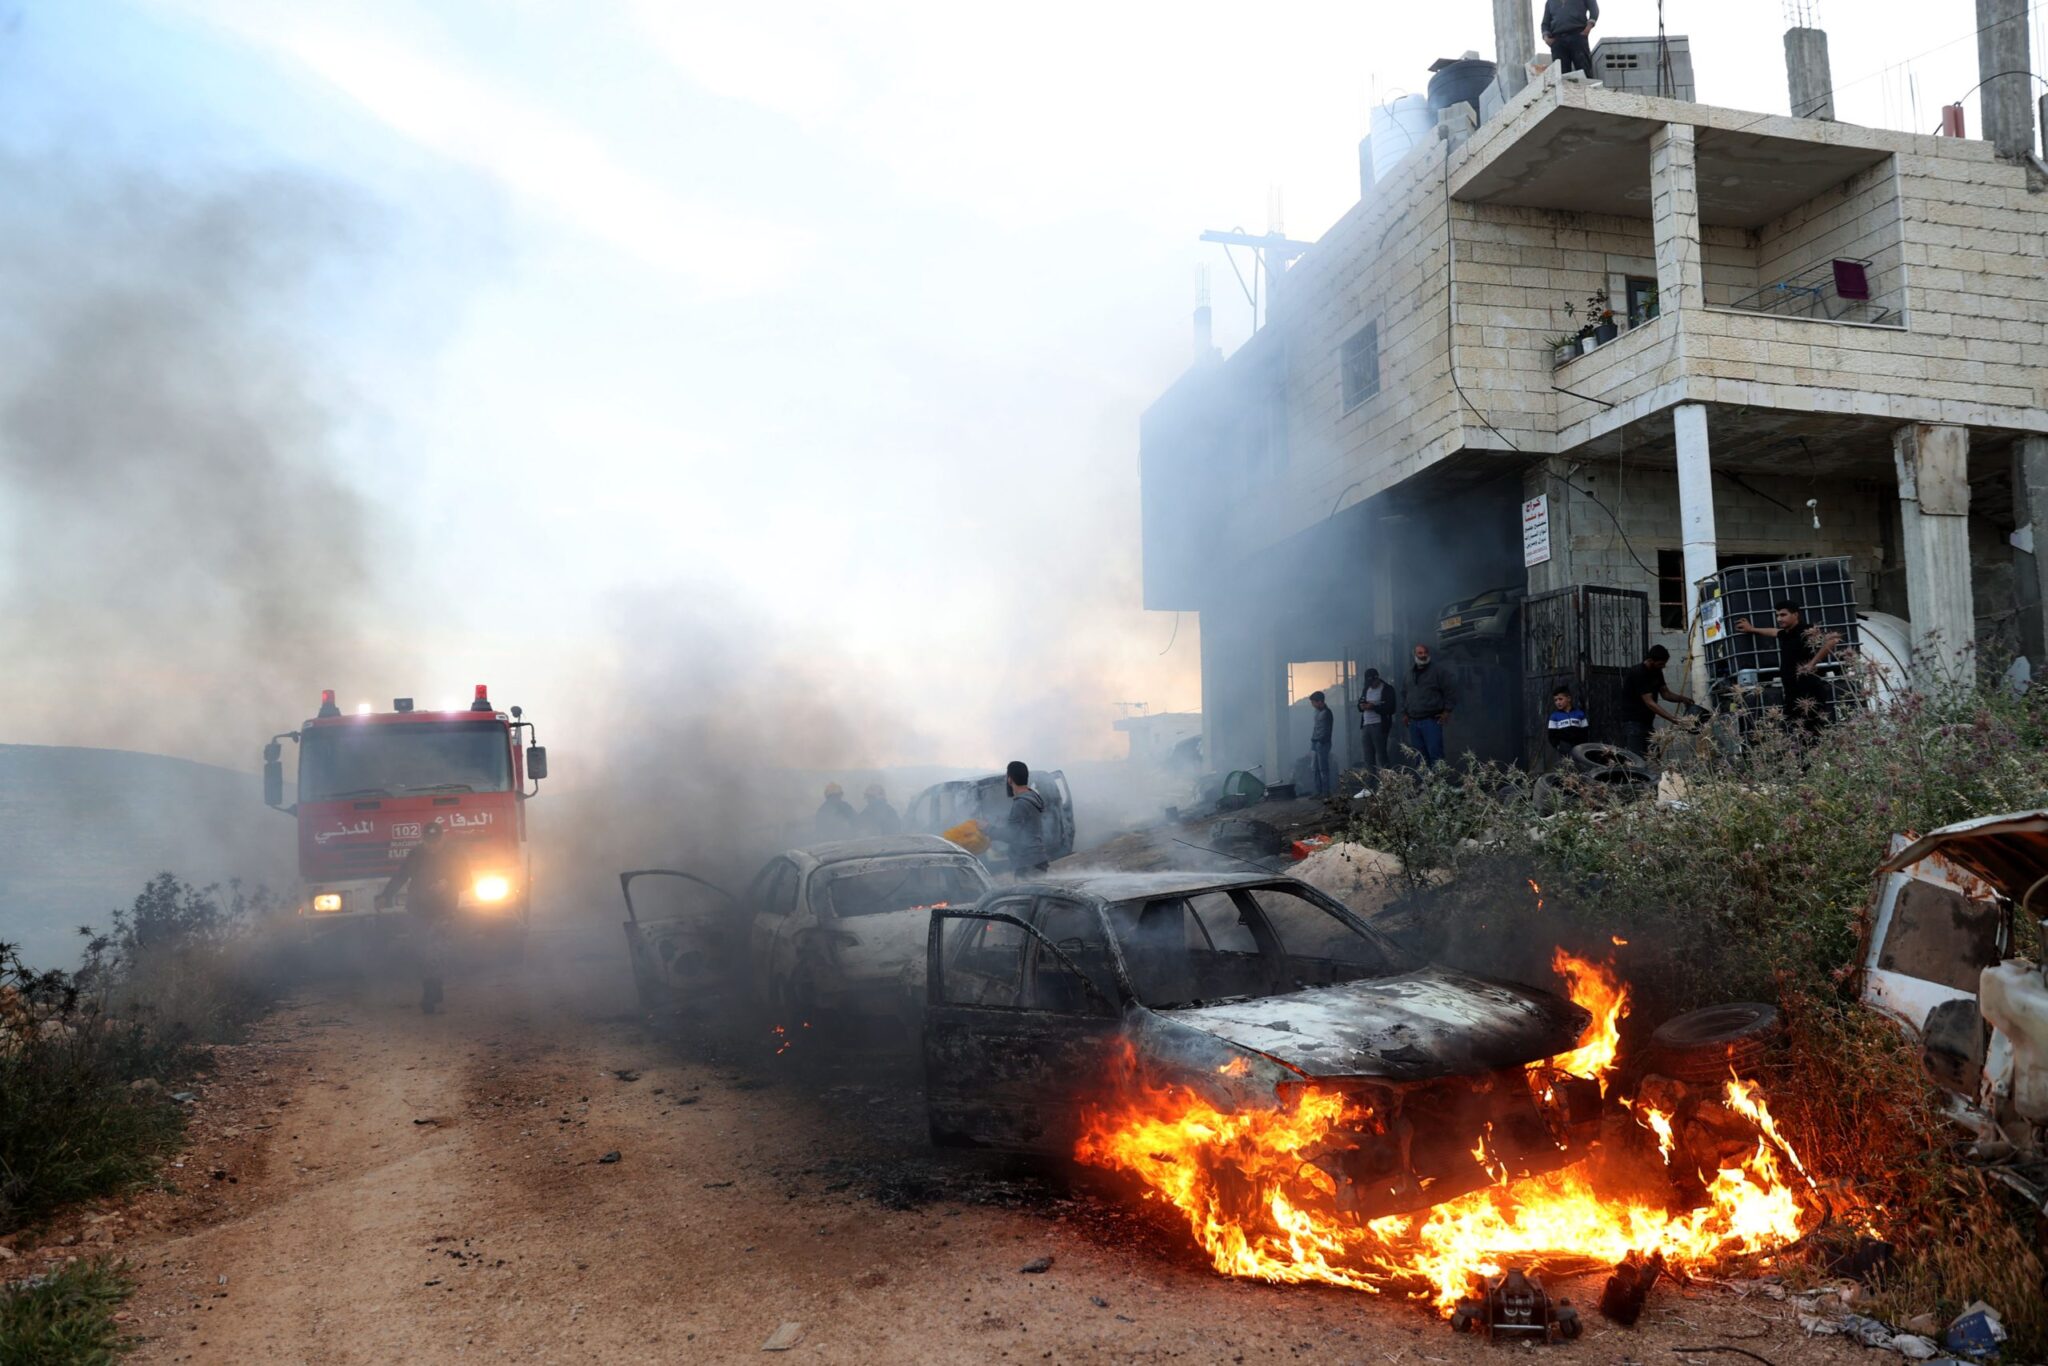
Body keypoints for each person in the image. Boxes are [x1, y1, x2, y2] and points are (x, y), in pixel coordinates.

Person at [376, 823, 461, 1014]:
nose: (432, 846)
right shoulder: (415, 854)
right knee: (421, 951)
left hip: (443, 910)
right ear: (423, 839)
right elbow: (401, 876)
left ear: (442, 838)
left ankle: (429, 994)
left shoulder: (454, 854)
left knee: (436, 951)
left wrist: (448, 883)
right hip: (418, 911)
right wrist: (385, 896)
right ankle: (433, 989)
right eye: (429, 842)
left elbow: (467, 880)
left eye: (436, 841)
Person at [1735, 601, 1842, 735]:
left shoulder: (1806, 631)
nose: (1779, 619)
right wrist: (1752, 629)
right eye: (1777, 615)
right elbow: (1774, 632)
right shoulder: (1786, 634)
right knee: (1793, 729)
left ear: (1795, 615)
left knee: (1813, 730)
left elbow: (1833, 640)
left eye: (1783, 615)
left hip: (1808, 692)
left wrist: (1812, 663)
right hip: (1792, 692)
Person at [1619, 645, 1696, 756]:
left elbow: (1666, 693)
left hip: (1647, 723)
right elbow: (1650, 703)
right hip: (1633, 723)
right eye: (1661, 664)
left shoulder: (1657, 671)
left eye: (1664, 663)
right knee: (1636, 759)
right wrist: (1673, 719)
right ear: (1650, 661)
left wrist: (1683, 699)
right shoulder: (1638, 673)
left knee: (1654, 757)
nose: (1663, 666)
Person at [991, 760, 1049, 878]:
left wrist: (988, 828)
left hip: (1028, 863)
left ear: (1010, 780)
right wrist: (1007, 818)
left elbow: (1010, 835)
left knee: (1030, 890)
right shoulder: (1033, 795)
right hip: (1037, 859)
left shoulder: (1020, 803)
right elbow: (1027, 821)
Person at [1402, 643, 1457, 766]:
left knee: (1435, 755)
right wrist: (1404, 713)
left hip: (1431, 720)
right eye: (1420, 653)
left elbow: (1450, 691)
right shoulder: (1409, 674)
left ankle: (1439, 779)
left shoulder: (1438, 672)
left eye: (1425, 652)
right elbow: (1404, 694)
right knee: (1419, 757)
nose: (1423, 655)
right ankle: (1424, 779)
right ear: (1414, 655)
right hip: (1414, 722)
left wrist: (1447, 711)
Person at [1356, 668, 1397, 777]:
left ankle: (1388, 781)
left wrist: (1374, 707)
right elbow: (1359, 704)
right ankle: (1371, 782)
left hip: (1379, 725)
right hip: (1366, 725)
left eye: (1373, 682)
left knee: (1381, 755)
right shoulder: (1366, 689)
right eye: (1369, 683)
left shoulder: (1387, 689)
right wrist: (1361, 706)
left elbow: (1391, 708)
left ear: (1377, 678)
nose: (1371, 685)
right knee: (1368, 757)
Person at [1540, 0, 1598, 77]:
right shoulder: (1550, 2)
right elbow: (1545, 23)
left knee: (1584, 70)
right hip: (1558, 40)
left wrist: (1588, 29)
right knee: (1561, 75)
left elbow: (1594, 9)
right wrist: (1546, 38)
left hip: (1577, 36)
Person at [1546, 687, 1591, 763]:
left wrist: (1582, 745)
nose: (1558, 702)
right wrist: (1559, 746)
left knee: (1579, 765)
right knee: (1567, 766)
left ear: (1569, 699)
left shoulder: (1580, 714)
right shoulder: (1554, 717)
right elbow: (1552, 735)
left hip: (1579, 748)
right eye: (1555, 700)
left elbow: (1585, 732)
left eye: (1560, 699)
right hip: (1564, 749)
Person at [1307, 691, 1335, 797]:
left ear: (1319, 702)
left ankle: (1325, 792)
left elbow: (1326, 730)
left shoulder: (1327, 713)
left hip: (1323, 743)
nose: (1313, 705)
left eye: (1313, 702)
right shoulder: (1317, 712)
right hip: (1316, 742)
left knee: (1323, 769)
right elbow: (1316, 729)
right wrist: (1313, 743)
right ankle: (1318, 791)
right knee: (1315, 768)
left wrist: (1320, 741)